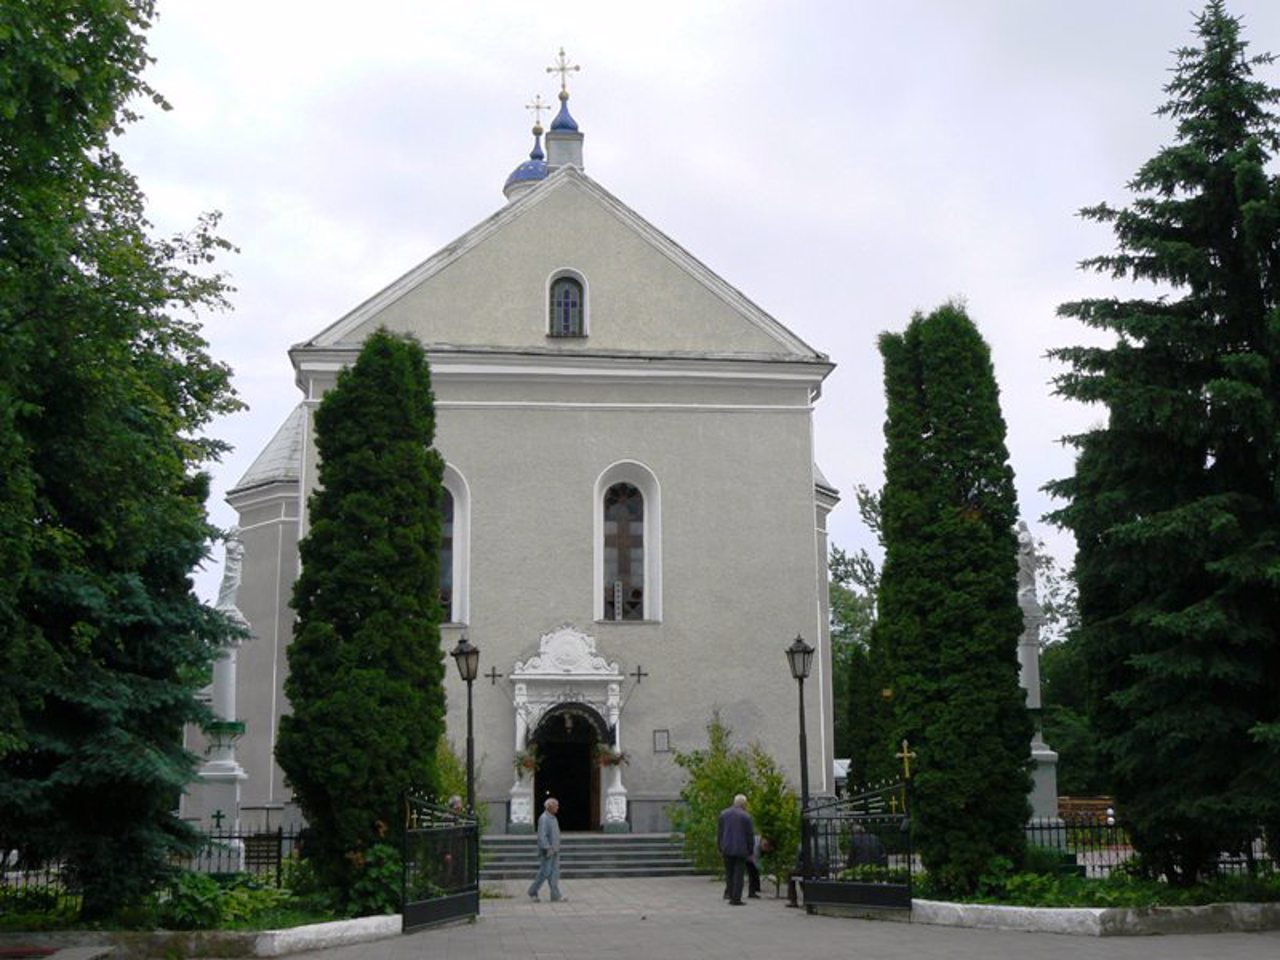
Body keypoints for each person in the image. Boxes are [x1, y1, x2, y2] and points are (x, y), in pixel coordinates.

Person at [717, 793, 754, 905]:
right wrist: (750, 849)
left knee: (729, 873)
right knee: (738, 875)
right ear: (744, 804)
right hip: (740, 849)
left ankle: (729, 893)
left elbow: (720, 832)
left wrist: (719, 846)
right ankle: (736, 898)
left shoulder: (723, 814)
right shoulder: (746, 817)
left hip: (727, 848)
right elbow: (749, 835)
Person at [527, 796, 565, 902]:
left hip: (555, 851)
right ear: (549, 806)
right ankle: (532, 891)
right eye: (555, 805)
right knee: (544, 873)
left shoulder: (553, 817)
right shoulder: (544, 818)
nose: (557, 807)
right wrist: (547, 847)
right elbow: (542, 835)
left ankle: (555, 895)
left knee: (554, 874)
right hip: (547, 851)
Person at [745, 831, 763, 898]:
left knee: (753, 874)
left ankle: (753, 890)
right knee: (752, 874)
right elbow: (755, 859)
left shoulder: (758, 840)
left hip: (748, 856)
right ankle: (752, 892)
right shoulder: (756, 845)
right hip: (747, 857)